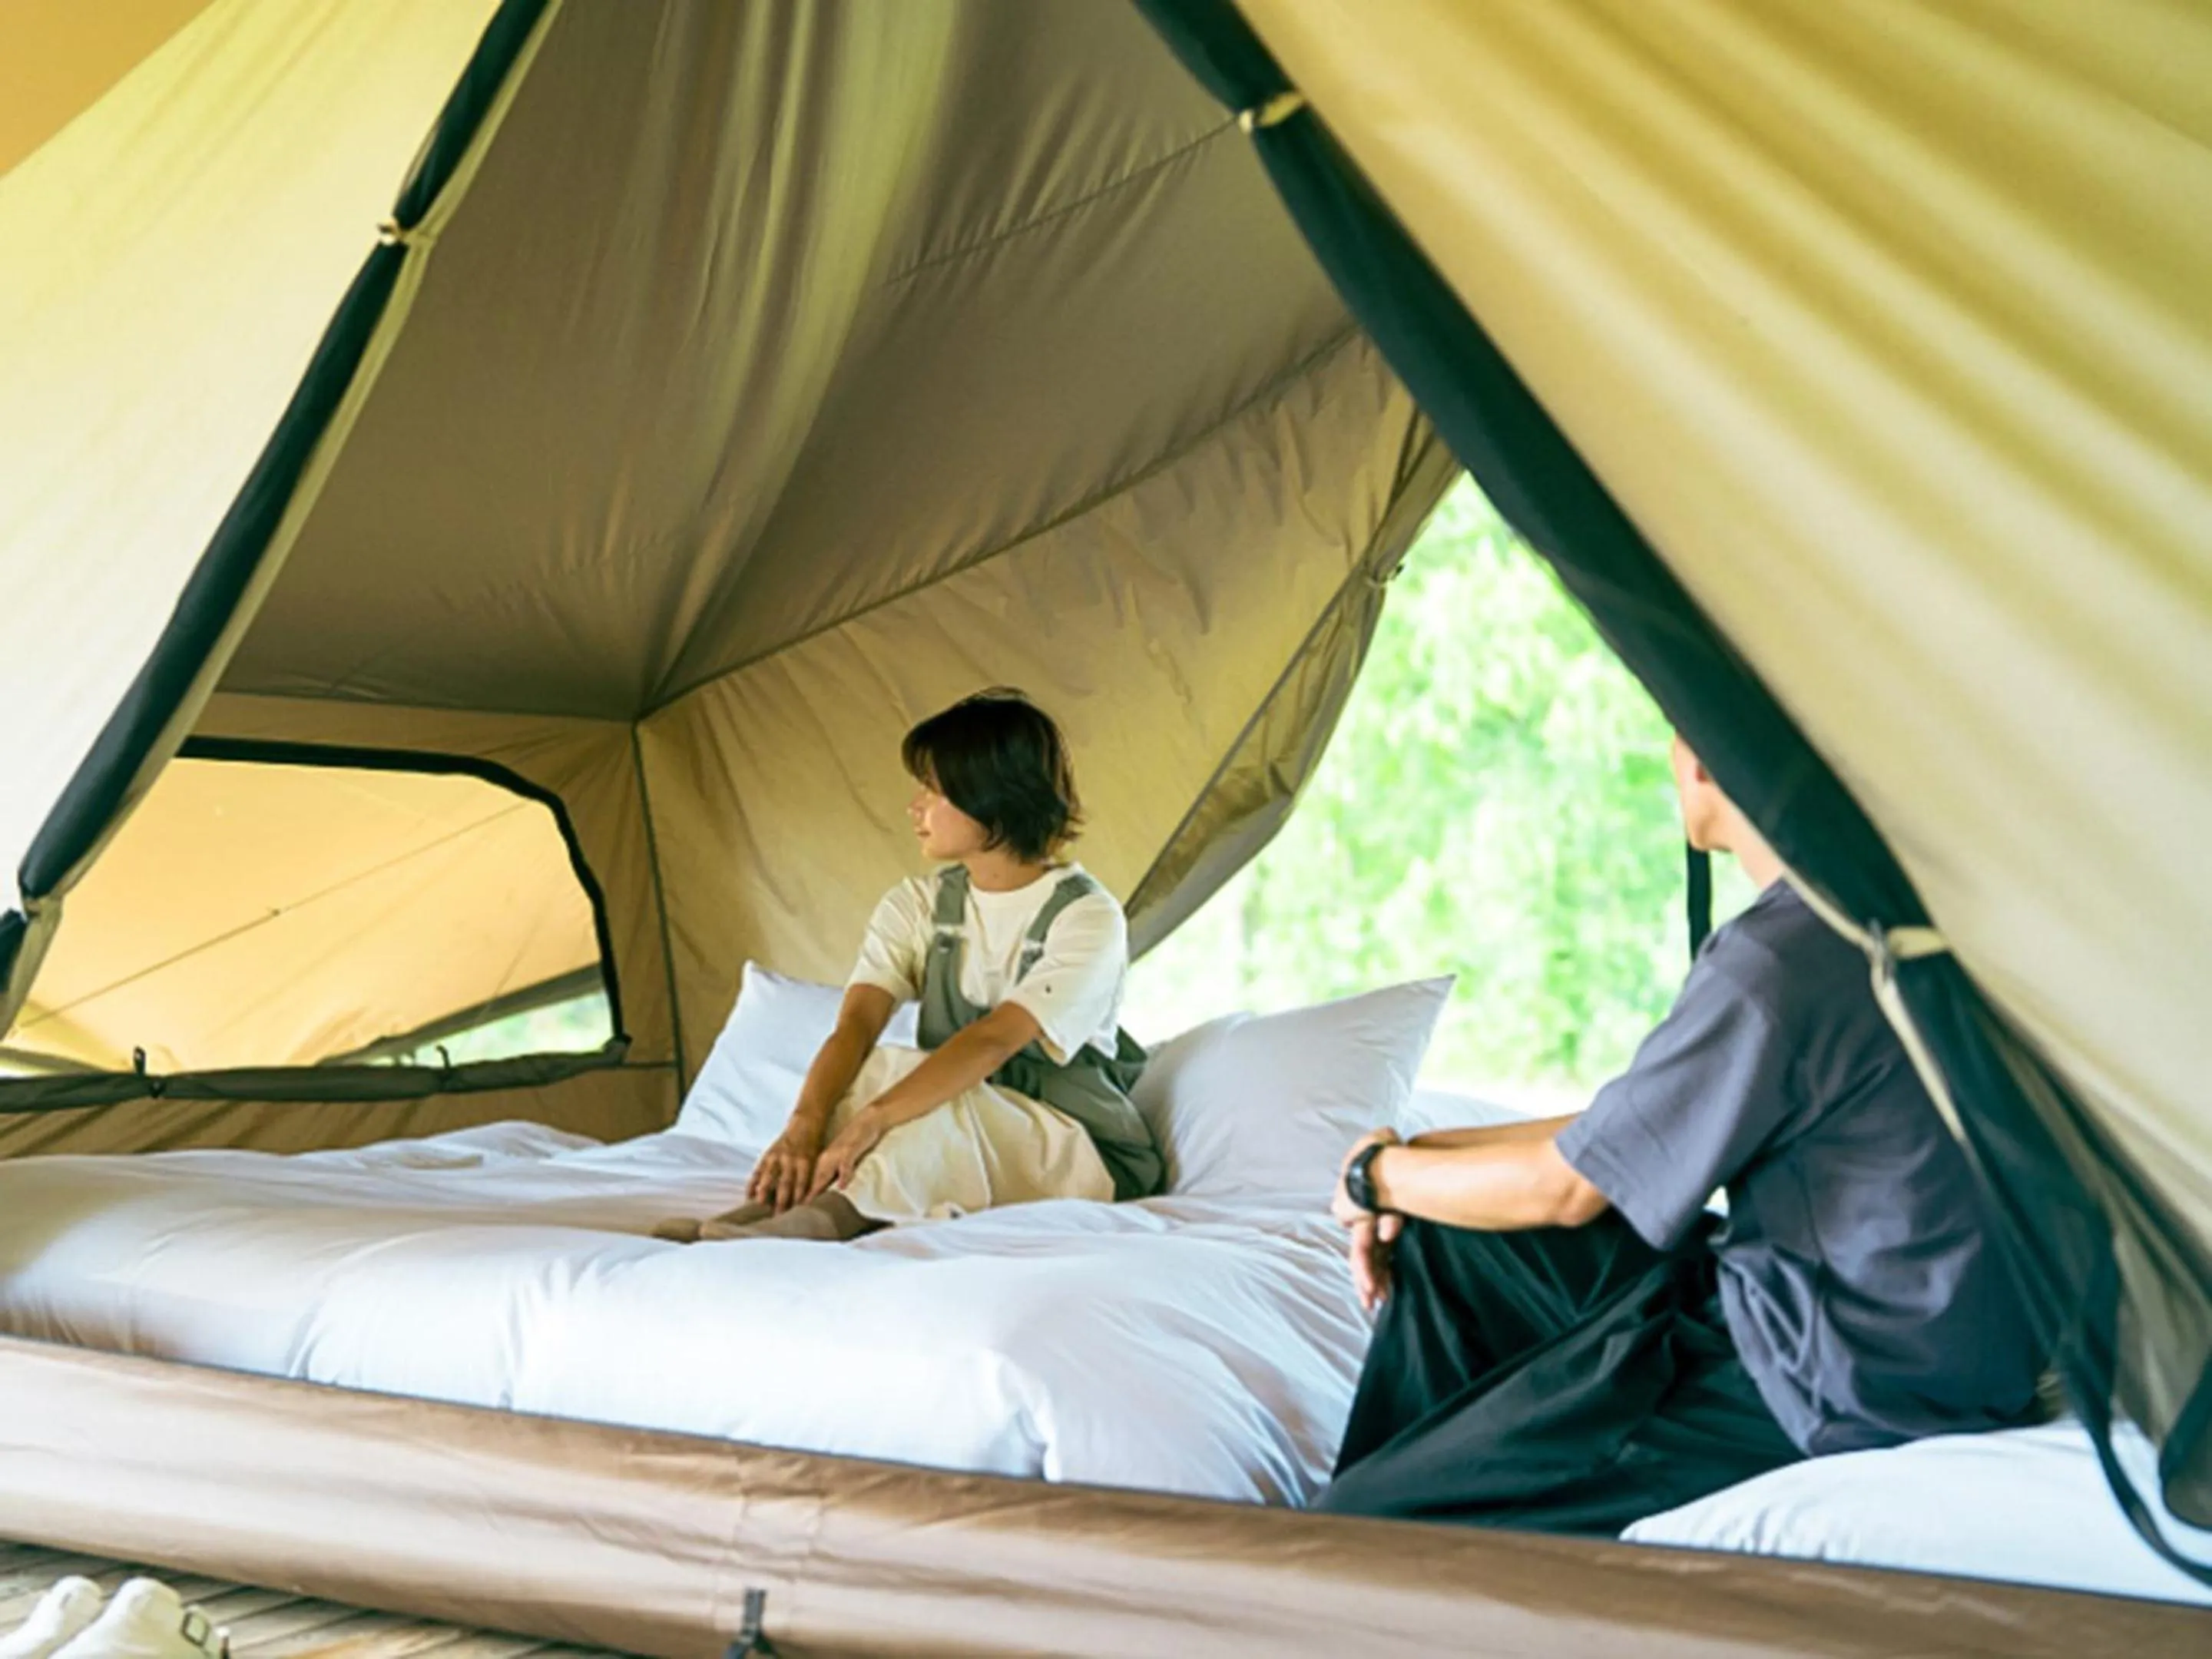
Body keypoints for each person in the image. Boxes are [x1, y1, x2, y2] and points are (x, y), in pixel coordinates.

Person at [1319, 735, 2045, 1534]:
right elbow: (1635, 1128)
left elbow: (1565, 1190)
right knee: (1453, 1236)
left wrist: (1373, 1180)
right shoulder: (1885, 915)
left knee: (1370, 1518)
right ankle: (1431, 1485)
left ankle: (1365, 1543)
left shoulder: (1778, 961)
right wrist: (1417, 1162)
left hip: (1831, 1385)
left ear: (1704, 758)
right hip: (1935, 1344)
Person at [656, 687, 1162, 1244]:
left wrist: (873, 1120)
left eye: (934, 790)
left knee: (930, 1098)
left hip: (1077, 1148)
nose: (914, 807)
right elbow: (855, 1027)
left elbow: (992, 1042)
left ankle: (821, 1223)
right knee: (882, 1069)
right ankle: (785, 1208)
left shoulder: (1087, 916)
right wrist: (803, 1124)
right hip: (963, 1126)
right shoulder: (916, 907)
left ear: (990, 795)